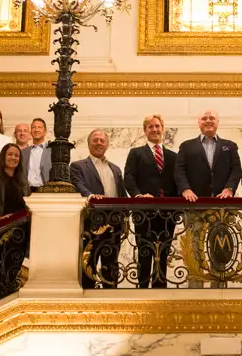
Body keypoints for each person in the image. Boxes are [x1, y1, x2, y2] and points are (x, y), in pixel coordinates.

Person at [123, 114, 178, 288]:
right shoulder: (136, 153)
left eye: (157, 126)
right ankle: (142, 287)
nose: (154, 129)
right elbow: (129, 177)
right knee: (145, 251)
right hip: (144, 212)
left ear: (163, 128)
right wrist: (138, 196)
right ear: (145, 131)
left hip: (168, 213)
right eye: (151, 127)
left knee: (164, 251)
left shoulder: (173, 156)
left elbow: (178, 180)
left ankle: (160, 288)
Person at [72, 130, 127, 289]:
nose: (99, 143)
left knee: (111, 266)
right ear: (89, 144)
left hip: (113, 224)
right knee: (88, 264)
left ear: (107, 144)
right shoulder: (78, 166)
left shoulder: (116, 169)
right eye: (95, 140)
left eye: (102, 140)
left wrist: (125, 220)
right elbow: (78, 184)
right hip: (92, 223)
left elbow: (122, 195)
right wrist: (91, 196)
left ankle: (111, 299)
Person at [0, 144, 30, 299]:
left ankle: (4, 301)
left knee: (13, 271)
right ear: (3, 156)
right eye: (10, 154)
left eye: (16, 155)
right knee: (3, 270)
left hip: (21, 233)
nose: (13, 158)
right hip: (2, 232)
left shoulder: (22, 181)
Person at [174, 110, 242, 200]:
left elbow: (236, 169)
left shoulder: (230, 146)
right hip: (194, 201)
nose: (208, 121)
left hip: (223, 200)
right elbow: (179, 171)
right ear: (198, 123)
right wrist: (185, 189)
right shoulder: (186, 146)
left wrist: (229, 188)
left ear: (217, 122)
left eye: (212, 118)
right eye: (204, 118)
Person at [23, 117, 52, 192]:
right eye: (33, 127)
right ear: (30, 131)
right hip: (26, 192)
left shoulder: (52, 151)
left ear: (45, 131)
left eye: (39, 127)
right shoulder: (23, 152)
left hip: (45, 191)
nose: (36, 130)